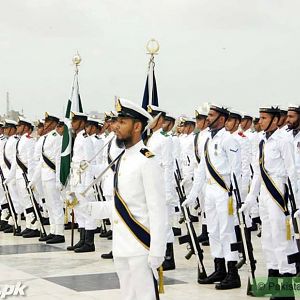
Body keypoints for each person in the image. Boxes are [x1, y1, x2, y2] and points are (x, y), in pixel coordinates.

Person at [80, 98, 167, 300]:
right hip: (121, 246)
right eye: (116, 121)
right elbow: (117, 206)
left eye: (122, 122)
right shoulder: (123, 158)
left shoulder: (147, 160)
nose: (115, 126)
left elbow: (157, 209)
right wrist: (84, 206)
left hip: (140, 246)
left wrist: (157, 250)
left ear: (137, 126)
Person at [241, 105, 299, 299]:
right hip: (265, 195)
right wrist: (250, 199)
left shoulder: (284, 140)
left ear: (275, 120)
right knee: (268, 240)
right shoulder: (261, 141)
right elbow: (257, 173)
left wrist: (296, 203)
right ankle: (273, 282)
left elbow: (293, 172)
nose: (260, 122)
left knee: (283, 240)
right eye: (260, 118)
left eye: (264, 118)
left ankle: (287, 289)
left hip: (279, 193)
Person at [183, 104, 242, 290]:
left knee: (226, 231)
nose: (207, 118)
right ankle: (219, 268)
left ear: (222, 119)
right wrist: (192, 195)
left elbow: (236, 171)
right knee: (213, 232)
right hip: (210, 192)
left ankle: (233, 273)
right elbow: (201, 170)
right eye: (207, 115)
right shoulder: (208, 138)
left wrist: (235, 194)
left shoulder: (229, 140)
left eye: (211, 115)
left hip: (224, 192)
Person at [146, 105, 175, 271]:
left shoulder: (165, 138)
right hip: (153, 184)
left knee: (165, 223)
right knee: (156, 222)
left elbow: (168, 165)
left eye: (152, 117)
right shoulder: (151, 138)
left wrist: (168, 191)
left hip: (163, 186)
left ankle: (169, 258)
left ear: (159, 119)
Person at [30, 113, 65, 244]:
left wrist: (58, 180)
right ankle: (53, 230)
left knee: (56, 205)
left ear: (54, 123)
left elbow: (58, 160)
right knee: (49, 206)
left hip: (52, 175)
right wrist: (34, 179)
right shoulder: (45, 138)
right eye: (45, 121)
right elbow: (41, 162)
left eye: (48, 121)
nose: (45, 124)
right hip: (45, 176)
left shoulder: (57, 138)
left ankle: (60, 233)